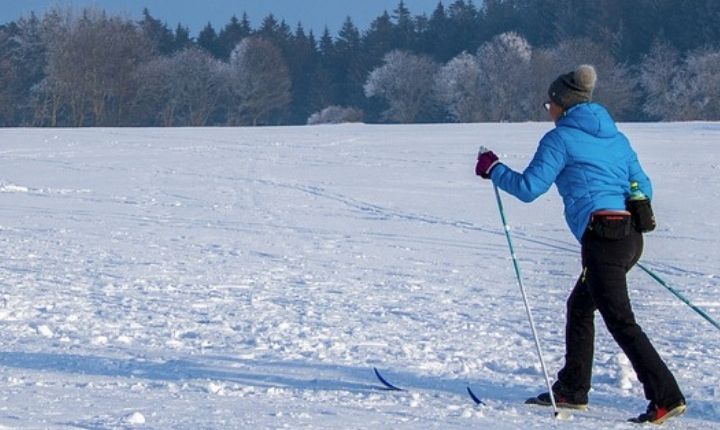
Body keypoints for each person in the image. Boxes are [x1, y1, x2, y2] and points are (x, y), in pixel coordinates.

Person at [475, 64, 686, 425]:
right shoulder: (616, 138)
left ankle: (666, 397)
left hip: (603, 239)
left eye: (549, 105)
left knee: (620, 321)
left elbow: (528, 189)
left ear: (563, 104)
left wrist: (493, 168)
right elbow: (644, 188)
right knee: (580, 306)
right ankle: (572, 389)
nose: (548, 111)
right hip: (628, 237)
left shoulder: (560, 139)